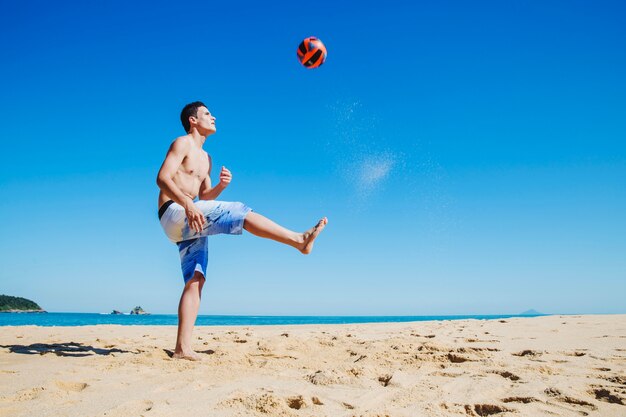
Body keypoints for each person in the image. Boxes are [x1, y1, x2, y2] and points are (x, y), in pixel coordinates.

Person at [156, 101, 328, 360]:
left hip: (192, 219)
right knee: (239, 212)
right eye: (206, 114)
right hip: (174, 212)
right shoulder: (182, 143)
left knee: (196, 279)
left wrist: (221, 187)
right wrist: (188, 203)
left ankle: (182, 349)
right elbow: (162, 178)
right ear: (193, 120)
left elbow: (205, 196)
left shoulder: (207, 159)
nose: (213, 117)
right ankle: (299, 239)